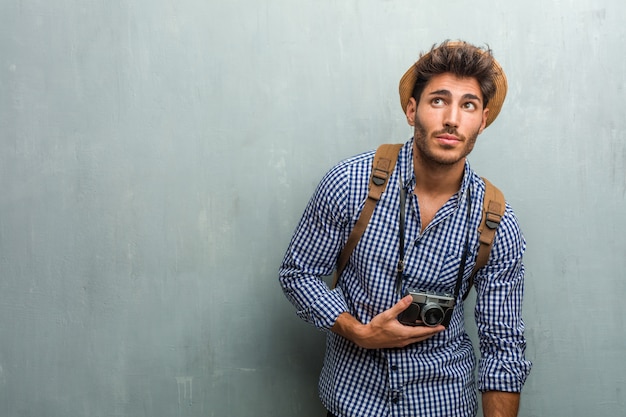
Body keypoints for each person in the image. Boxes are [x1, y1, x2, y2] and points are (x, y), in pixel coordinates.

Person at [279, 40, 532, 417]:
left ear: (482, 119)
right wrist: (358, 332)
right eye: (438, 101)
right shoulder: (350, 183)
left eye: (468, 105)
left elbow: (503, 346)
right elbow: (299, 274)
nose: (452, 118)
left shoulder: (497, 221)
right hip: (353, 403)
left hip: (443, 404)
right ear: (412, 110)